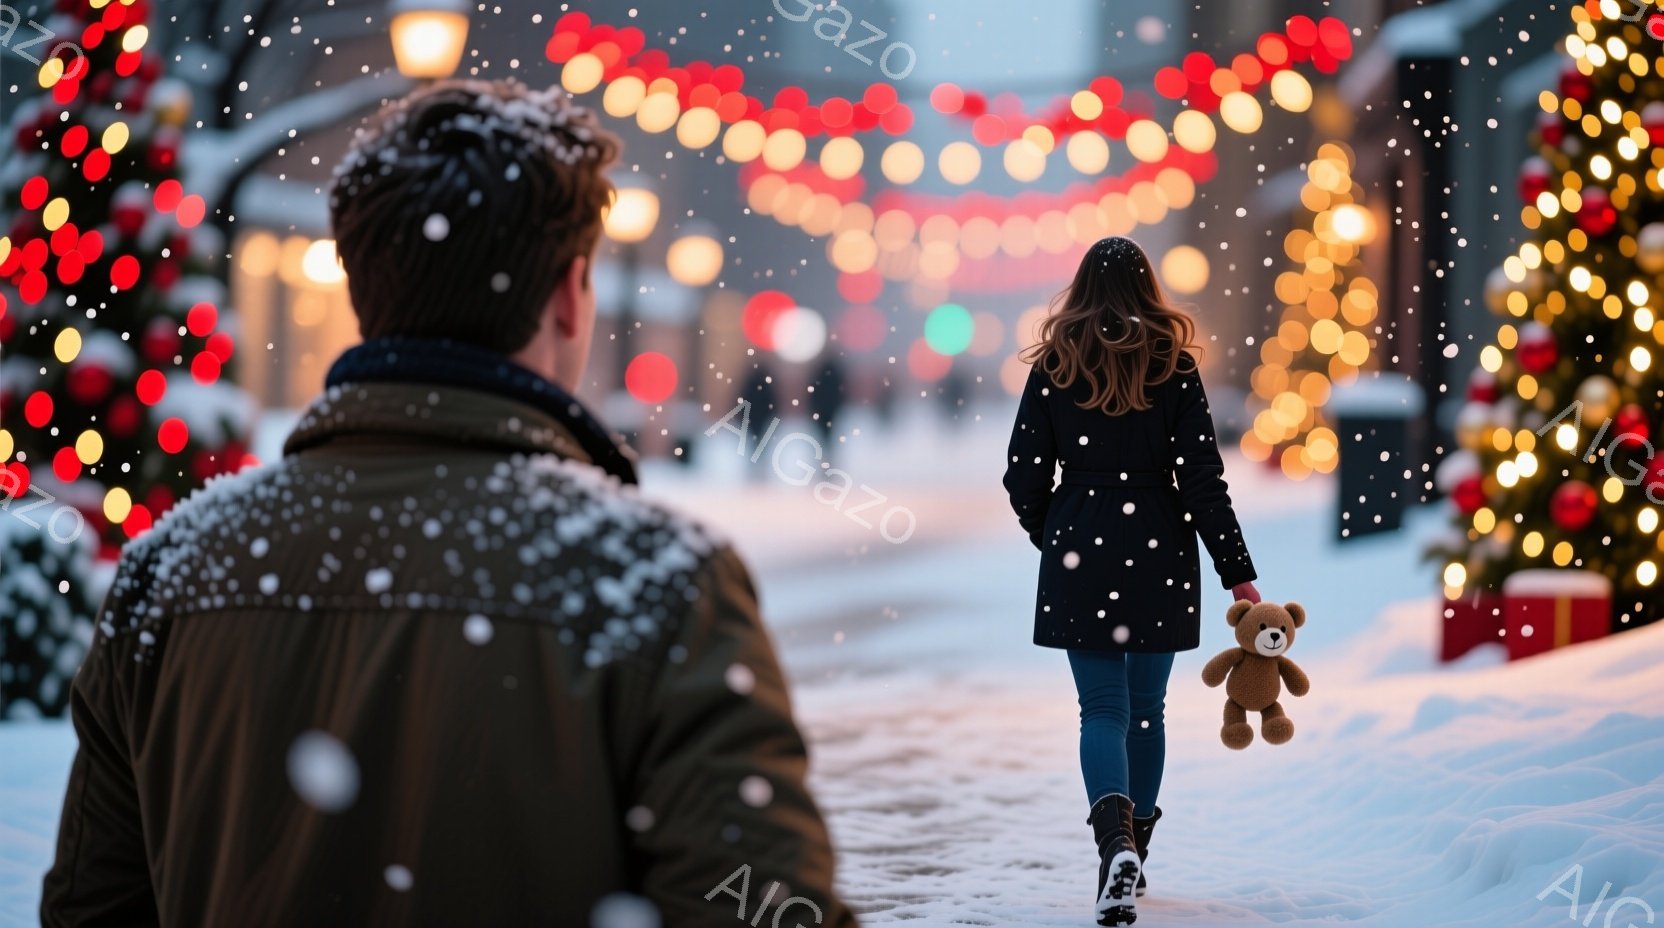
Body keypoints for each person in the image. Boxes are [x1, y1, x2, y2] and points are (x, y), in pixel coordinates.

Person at [42, 79, 856, 928]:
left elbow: (92, 908)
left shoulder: (167, 574)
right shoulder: (653, 583)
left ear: (365, 290)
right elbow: (762, 906)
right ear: (572, 295)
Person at [1002, 236, 1259, 927]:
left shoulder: (1055, 365)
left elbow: (1022, 476)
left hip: (1080, 548)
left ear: (1081, 289)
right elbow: (1204, 481)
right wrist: (1240, 575)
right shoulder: (1172, 366)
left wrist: (1054, 534)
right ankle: (1136, 851)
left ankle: (1111, 844)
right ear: (1149, 288)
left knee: (1101, 711)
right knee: (1146, 712)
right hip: (1158, 549)